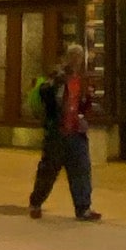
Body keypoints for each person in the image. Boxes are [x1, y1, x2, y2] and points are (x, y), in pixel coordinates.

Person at [28, 44, 101, 222]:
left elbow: (84, 104)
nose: (77, 61)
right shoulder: (57, 77)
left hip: (76, 132)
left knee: (81, 170)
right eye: (74, 57)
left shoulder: (82, 80)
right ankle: (36, 202)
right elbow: (46, 97)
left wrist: (87, 106)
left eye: (79, 57)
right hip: (57, 133)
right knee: (49, 170)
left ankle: (83, 207)